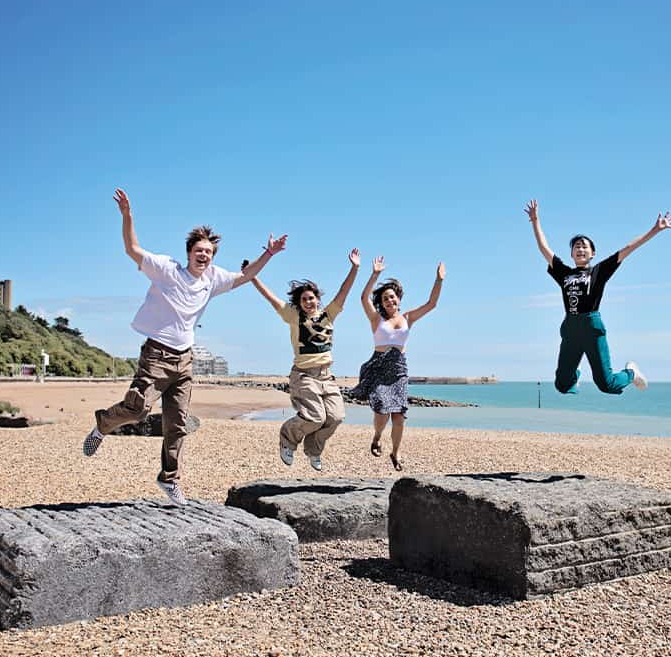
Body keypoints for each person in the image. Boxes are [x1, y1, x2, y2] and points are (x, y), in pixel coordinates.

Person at [82, 188, 287, 505]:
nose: (204, 255)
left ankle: (169, 479)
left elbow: (246, 276)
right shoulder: (167, 270)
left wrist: (269, 254)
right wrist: (127, 215)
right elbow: (132, 249)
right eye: (199, 250)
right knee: (137, 409)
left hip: (185, 360)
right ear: (189, 251)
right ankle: (102, 424)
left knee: (176, 424)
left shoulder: (213, 279)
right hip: (156, 355)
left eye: (209, 252)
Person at [524, 199, 671, 395]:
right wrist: (535, 221)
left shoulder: (599, 271)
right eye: (577, 246)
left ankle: (631, 372)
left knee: (607, 384)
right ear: (571, 253)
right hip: (570, 327)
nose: (580, 249)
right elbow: (544, 249)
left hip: (591, 327)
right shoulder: (564, 273)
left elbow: (628, 249)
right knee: (561, 385)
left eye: (585, 246)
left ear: (592, 253)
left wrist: (654, 230)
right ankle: (574, 375)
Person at [244, 248, 361, 471]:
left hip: (327, 377)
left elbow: (344, 290)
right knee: (315, 418)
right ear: (299, 302)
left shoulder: (329, 314)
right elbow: (270, 298)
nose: (308, 302)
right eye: (304, 299)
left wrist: (354, 268)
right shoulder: (293, 316)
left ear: (318, 300)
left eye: (312, 298)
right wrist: (253, 277)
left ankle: (313, 451)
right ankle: (287, 439)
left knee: (335, 417)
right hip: (304, 376)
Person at [351, 256, 445, 471]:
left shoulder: (408, 318)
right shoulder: (376, 320)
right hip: (379, 366)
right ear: (381, 303)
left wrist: (438, 280)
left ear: (398, 299)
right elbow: (364, 297)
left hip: (399, 369)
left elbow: (432, 304)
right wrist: (375, 274)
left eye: (392, 298)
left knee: (399, 416)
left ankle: (396, 452)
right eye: (385, 299)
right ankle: (376, 437)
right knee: (382, 411)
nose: (389, 302)